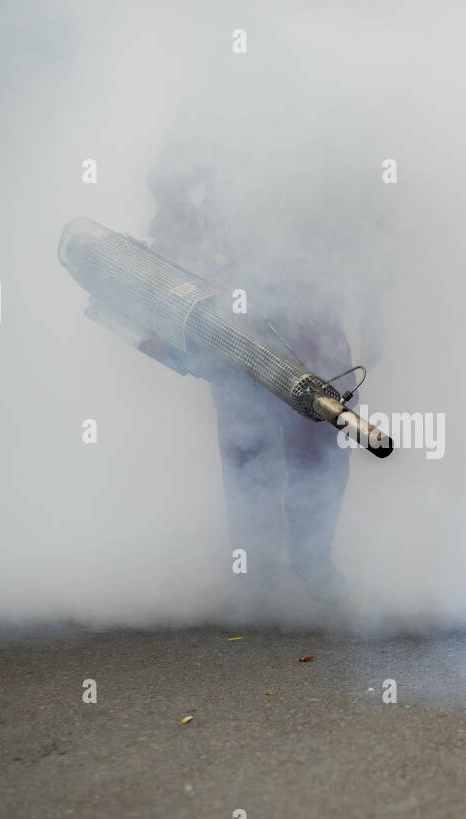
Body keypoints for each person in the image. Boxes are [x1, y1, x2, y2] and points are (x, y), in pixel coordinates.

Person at [145, 159, 353, 606]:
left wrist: (377, 304)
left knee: (324, 433)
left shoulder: (319, 129)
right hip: (233, 309)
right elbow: (168, 184)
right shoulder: (215, 125)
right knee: (247, 444)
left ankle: (313, 560)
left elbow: (362, 218)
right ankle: (256, 573)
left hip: (311, 307)